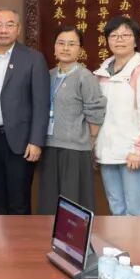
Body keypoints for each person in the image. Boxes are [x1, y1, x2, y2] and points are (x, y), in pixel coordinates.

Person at [94, 16, 140, 216]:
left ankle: (139, 241)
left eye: (125, 35)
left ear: (135, 40)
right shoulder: (101, 74)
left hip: (134, 155)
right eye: (114, 35)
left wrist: (138, 150)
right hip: (108, 154)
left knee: (135, 211)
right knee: (116, 210)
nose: (119, 40)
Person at [0, 8, 50, 214]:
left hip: (21, 142)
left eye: (10, 25)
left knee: (19, 201)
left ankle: (20, 237)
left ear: (18, 29)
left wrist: (36, 141)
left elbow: (41, 103)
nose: (4, 30)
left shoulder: (33, 59)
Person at [37, 26, 107, 214]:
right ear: (54, 47)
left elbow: (95, 112)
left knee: (72, 205)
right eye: (61, 43)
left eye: (71, 44)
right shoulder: (49, 75)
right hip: (50, 146)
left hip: (75, 149)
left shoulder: (85, 76)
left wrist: (90, 140)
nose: (65, 48)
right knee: (49, 203)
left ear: (80, 49)